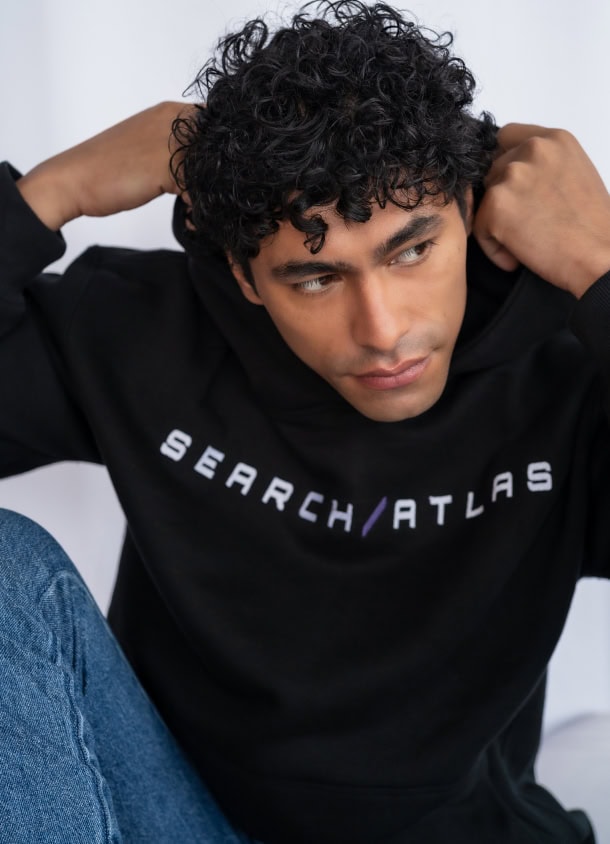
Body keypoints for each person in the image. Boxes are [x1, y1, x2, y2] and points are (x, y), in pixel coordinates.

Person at [1, 1, 610, 841]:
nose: (383, 331)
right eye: (317, 279)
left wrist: (599, 264)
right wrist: (50, 193)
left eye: (413, 250)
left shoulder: (562, 379)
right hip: (178, 817)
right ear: (243, 276)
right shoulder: (146, 335)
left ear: (470, 215)